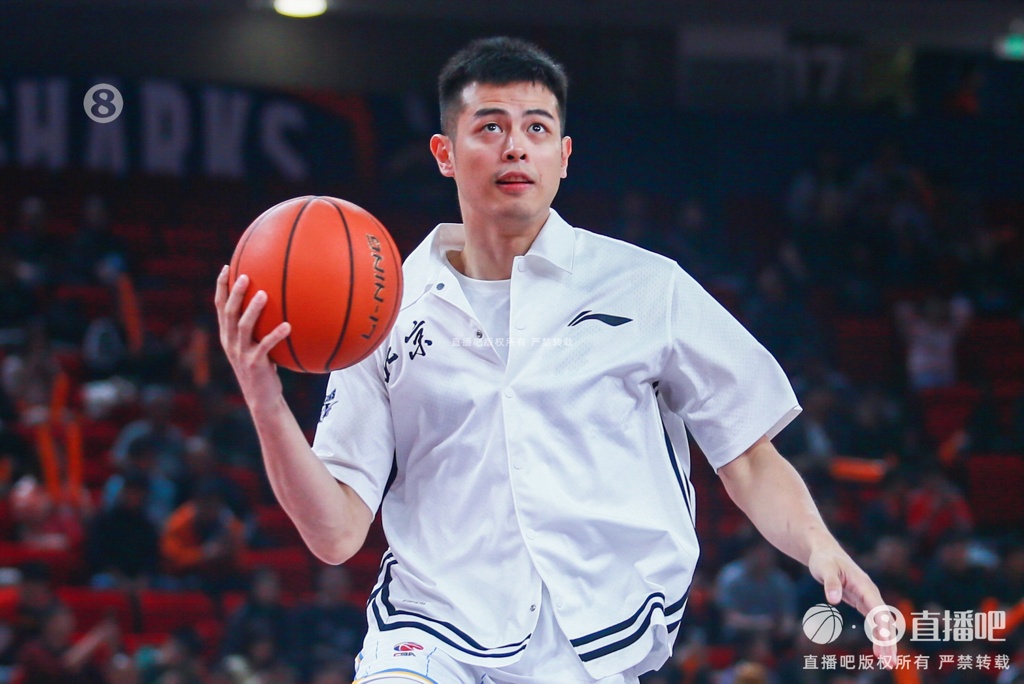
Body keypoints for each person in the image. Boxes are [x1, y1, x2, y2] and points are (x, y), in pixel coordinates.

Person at [215, 37, 896, 683]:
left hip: (593, 644)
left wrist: (820, 545)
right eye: (490, 126)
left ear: (564, 156)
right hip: (427, 632)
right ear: (444, 153)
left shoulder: (648, 288)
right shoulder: (379, 306)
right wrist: (264, 399)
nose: (515, 145)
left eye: (536, 128)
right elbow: (335, 534)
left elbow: (746, 457)